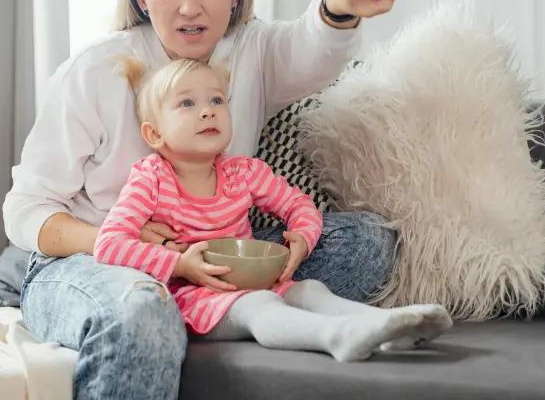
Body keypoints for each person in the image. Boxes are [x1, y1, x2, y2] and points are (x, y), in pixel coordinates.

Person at [3, 0, 401, 399]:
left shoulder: (252, 49)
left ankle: (206, 309)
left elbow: (311, 47)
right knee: (142, 310)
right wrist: (126, 241)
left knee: (368, 242)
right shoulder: (94, 71)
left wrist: (340, 1)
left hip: (211, 255)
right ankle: (172, 315)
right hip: (97, 263)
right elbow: (24, 212)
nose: (190, 6)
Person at [94, 57, 451, 362]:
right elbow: (108, 244)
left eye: (217, 100)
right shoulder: (151, 179)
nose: (207, 110)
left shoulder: (243, 173)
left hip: (250, 284)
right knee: (260, 306)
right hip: (191, 299)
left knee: (309, 290)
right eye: (187, 104)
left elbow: (299, 205)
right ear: (154, 134)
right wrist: (181, 264)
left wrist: (303, 238)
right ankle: (336, 336)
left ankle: (385, 328)